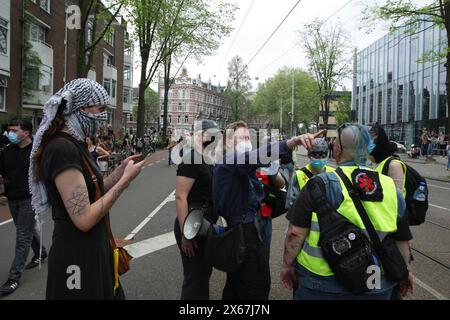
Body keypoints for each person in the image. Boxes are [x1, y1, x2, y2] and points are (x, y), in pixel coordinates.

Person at [29, 78, 145, 299]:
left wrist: (120, 171)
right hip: (76, 257)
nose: (103, 116)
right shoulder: (62, 149)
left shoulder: (76, 144)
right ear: (80, 108)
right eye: (100, 109)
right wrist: (124, 182)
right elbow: (83, 219)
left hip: (93, 249)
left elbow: (92, 190)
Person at [281, 123, 414, 300]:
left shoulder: (320, 184)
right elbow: (403, 238)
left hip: (322, 282)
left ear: (337, 149)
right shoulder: (390, 186)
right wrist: (405, 271)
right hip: (376, 283)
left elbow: (295, 234)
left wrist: (287, 265)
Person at [212, 120, 323, 300]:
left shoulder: (238, 166)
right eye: (242, 138)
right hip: (244, 233)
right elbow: (258, 157)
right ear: (228, 142)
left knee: (237, 286)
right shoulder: (230, 161)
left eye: (249, 137)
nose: (247, 141)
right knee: (255, 286)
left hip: (243, 230)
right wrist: (292, 142)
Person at [0, 119, 47, 295]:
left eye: (13, 130)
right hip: (12, 198)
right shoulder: (5, 152)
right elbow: (3, 173)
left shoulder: (37, 151)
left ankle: (13, 278)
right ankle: (40, 252)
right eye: (8, 129)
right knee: (24, 230)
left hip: (30, 199)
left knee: (22, 237)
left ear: (26, 133)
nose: (9, 133)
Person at [174, 120, 219, 300]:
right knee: (195, 279)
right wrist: (187, 234)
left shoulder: (207, 158)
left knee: (203, 275)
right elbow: (180, 197)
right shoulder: (191, 160)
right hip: (192, 226)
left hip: (204, 225)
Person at [368, 123, 409, 300]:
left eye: (370, 140)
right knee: (377, 278)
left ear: (378, 139)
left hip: (391, 230)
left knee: (393, 273)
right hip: (379, 230)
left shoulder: (393, 164)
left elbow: (397, 202)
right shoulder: (377, 163)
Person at [286, 138, 335, 211]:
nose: (320, 159)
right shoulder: (299, 175)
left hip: (328, 220)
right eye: (316, 155)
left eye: (323, 155)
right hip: (305, 220)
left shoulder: (333, 173)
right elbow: (291, 204)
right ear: (309, 155)